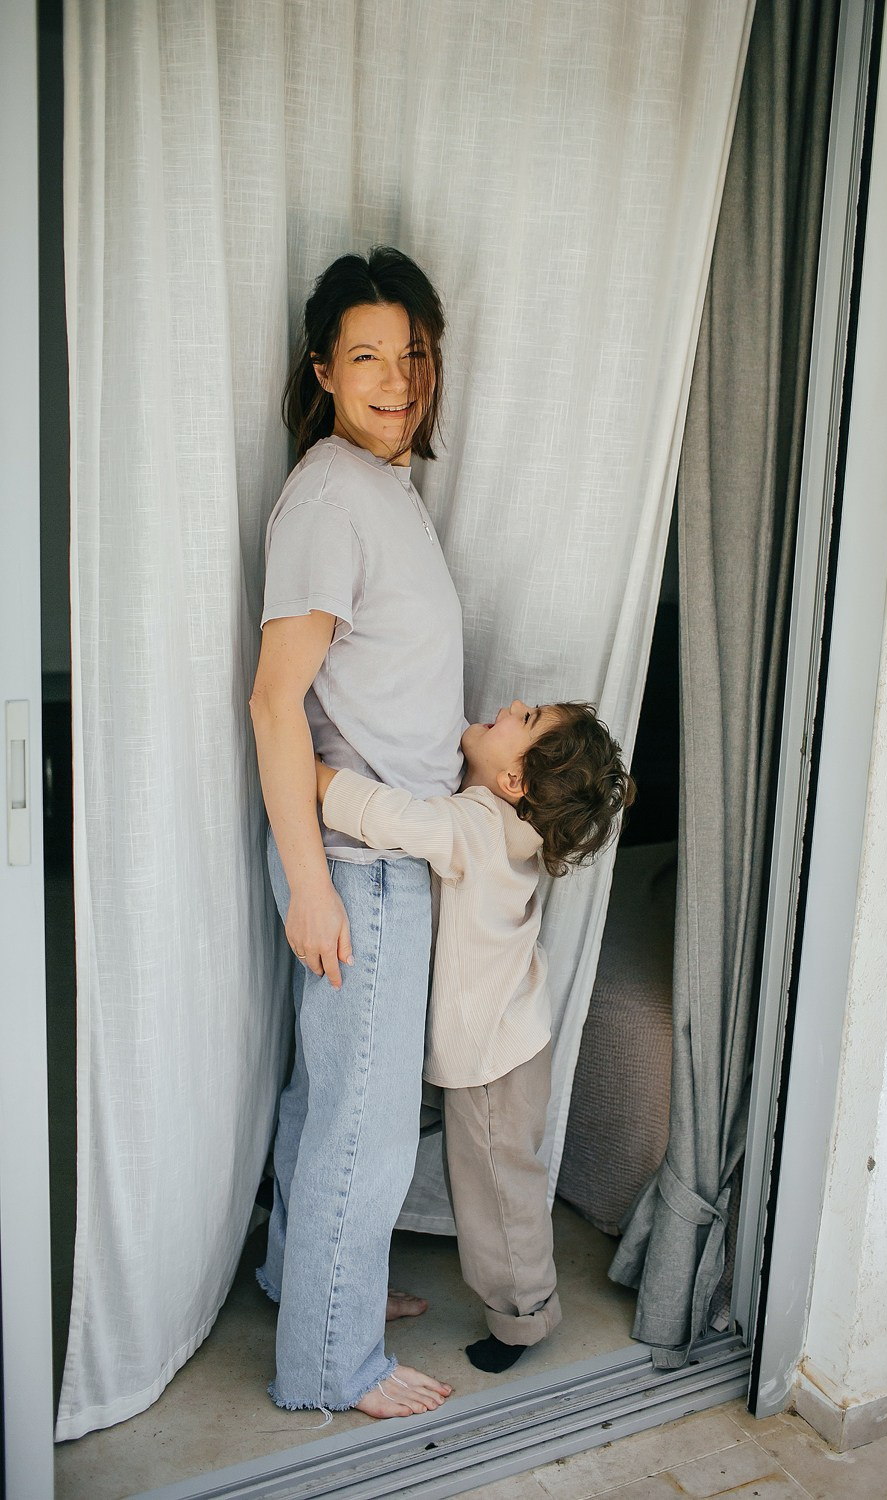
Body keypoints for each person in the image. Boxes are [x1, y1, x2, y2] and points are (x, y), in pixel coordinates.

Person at [249, 246, 465, 1418]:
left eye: (413, 352)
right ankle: (333, 1366)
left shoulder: (377, 486)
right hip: (357, 868)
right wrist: (308, 885)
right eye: (368, 355)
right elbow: (274, 700)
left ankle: (312, 1280)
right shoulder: (332, 493)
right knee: (365, 1129)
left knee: (322, 1099)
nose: (397, 378)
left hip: (378, 854)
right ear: (323, 368)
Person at [315, 697, 635, 1373]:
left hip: (494, 1059)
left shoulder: (478, 824)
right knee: (494, 1181)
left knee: (496, 1195)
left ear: (514, 782)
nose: (511, 704)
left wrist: (306, 772)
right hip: (508, 1040)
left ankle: (523, 1319)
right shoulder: (505, 824)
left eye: (526, 718)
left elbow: (386, 817)